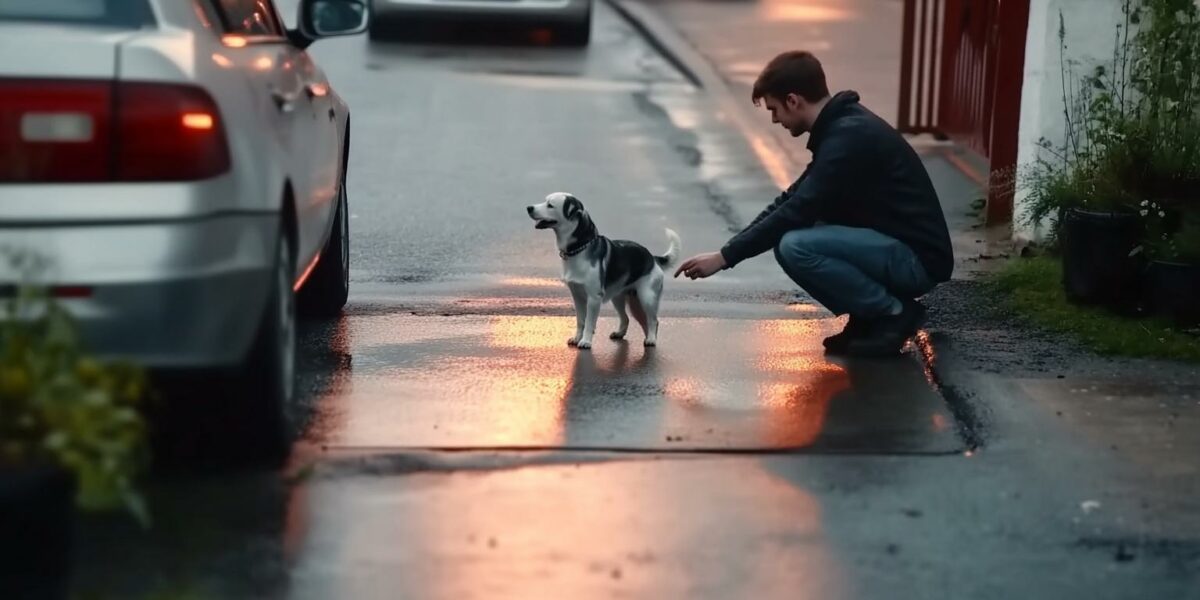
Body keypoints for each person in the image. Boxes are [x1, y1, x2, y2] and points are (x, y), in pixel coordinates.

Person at [674, 50, 953, 357]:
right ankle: (866, 318)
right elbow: (791, 199)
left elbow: (797, 209)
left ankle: (892, 313)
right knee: (797, 235)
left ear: (794, 100)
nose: (775, 119)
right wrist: (725, 252)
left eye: (774, 109)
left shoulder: (848, 137)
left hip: (916, 262)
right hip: (897, 250)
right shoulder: (842, 130)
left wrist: (725, 258)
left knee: (796, 245)